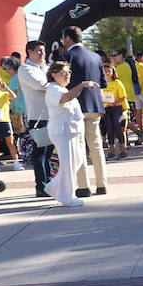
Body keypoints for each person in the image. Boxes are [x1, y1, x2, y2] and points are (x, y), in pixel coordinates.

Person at [60, 26, 107, 198]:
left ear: (68, 38)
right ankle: (102, 184)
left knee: (79, 146)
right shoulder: (96, 57)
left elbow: (61, 82)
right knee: (96, 145)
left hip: (75, 106)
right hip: (94, 104)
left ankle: (84, 186)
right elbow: (103, 82)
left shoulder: (66, 57)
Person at [43, 61, 95, 207]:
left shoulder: (62, 88)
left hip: (72, 131)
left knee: (76, 161)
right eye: (64, 73)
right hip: (63, 131)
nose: (67, 75)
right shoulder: (53, 89)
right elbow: (65, 98)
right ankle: (67, 197)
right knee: (68, 164)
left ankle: (54, 187)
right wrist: (82, 85)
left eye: (69, 72)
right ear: (54, 75)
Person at [17, 41, 51, 196]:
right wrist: (55, 83)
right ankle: (41, 186)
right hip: (37, 116)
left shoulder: (45, 68)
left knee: (49, 153)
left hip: (51, 114)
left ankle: (49, 182)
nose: (42, 54)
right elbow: (41, 85)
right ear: (29, 52)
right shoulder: (25, 69)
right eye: (38, 51)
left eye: (43, 50)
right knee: (40, 152)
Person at [100, 63, 129, 161]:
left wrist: (114, 103)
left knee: (118, 128)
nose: (107, 73)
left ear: (113, 72)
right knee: (109, 130)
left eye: (109, 71)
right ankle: (111, 151)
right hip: (106, 109)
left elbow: (123, 97)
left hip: (117, 108)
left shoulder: (117, 83)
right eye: (105, 71)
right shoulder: (101, 84)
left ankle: (123, 150)